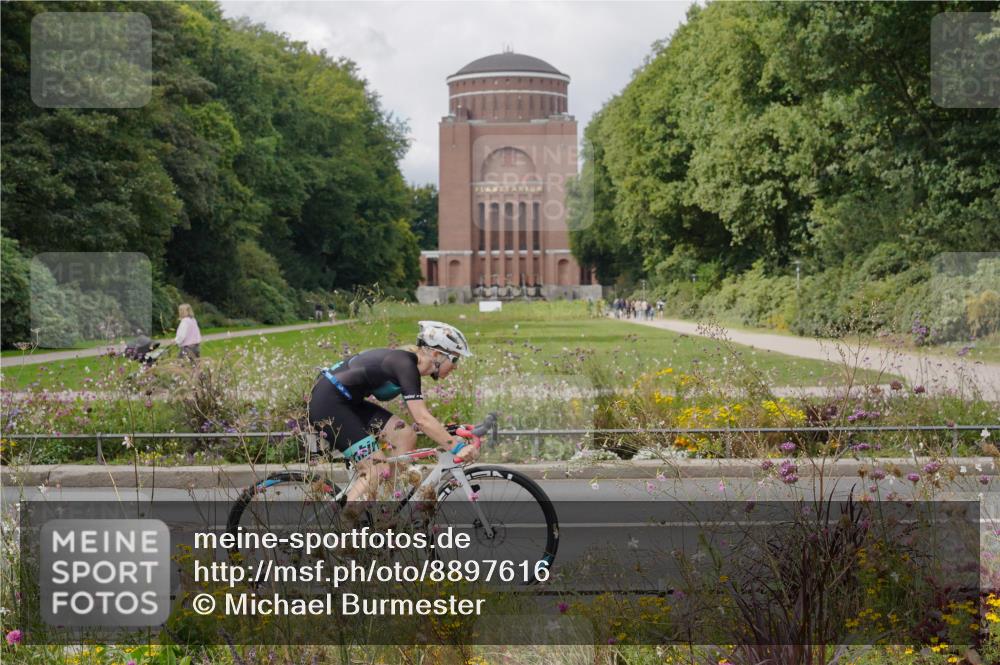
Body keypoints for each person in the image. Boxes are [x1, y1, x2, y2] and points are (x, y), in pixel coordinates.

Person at [308, 320, 474, 501]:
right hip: (329, 405)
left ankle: (387, 504)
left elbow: (422, 417)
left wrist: (446, 434)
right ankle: (347, 523)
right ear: (436, 353)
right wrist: (455, 447)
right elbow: (422, 419)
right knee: (377, 469)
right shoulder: (405, 364)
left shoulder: (407, 364)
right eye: (455, 359)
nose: (456, 366)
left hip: (347, 402)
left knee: (405, 435)